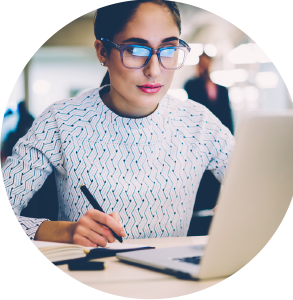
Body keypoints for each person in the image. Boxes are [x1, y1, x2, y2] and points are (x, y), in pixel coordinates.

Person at [2, 0, 235, 248]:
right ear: (102, 51)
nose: (154, 70)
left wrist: (243, 209)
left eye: (168, 50)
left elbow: (264, 192)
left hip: (176, 283)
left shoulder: (200, 124)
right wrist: (64, 232)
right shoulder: (61, 122)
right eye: (136, 50)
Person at [184, 53, 234, 236]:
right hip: (200, 139)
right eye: (202, 62)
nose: (205, 65)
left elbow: (227, 116)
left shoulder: (221, 89)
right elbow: (194, 107)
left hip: (219, 137)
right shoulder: (192, 84)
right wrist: (200, 75)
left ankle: (208, 220)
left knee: (215, 182)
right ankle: (197, 221)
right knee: (200, 182)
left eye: (207, 62)